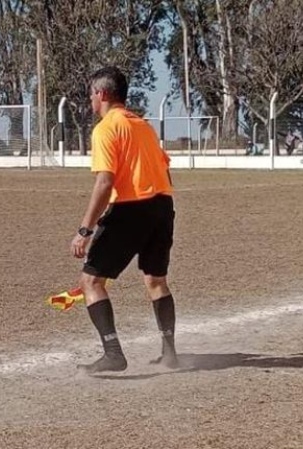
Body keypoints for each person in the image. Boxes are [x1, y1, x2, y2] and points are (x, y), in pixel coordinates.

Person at [70, 66, 178, 375]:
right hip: (163, 205)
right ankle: (170, 353)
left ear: (101, 94)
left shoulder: (107, 128)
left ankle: (113, 353)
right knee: (156, 281)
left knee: (90, 281)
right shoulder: (142, 125)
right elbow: (164, 167)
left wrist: (85, 230)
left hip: (131, 209)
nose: (90, 100)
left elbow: (105, 182)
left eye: (90, 94)